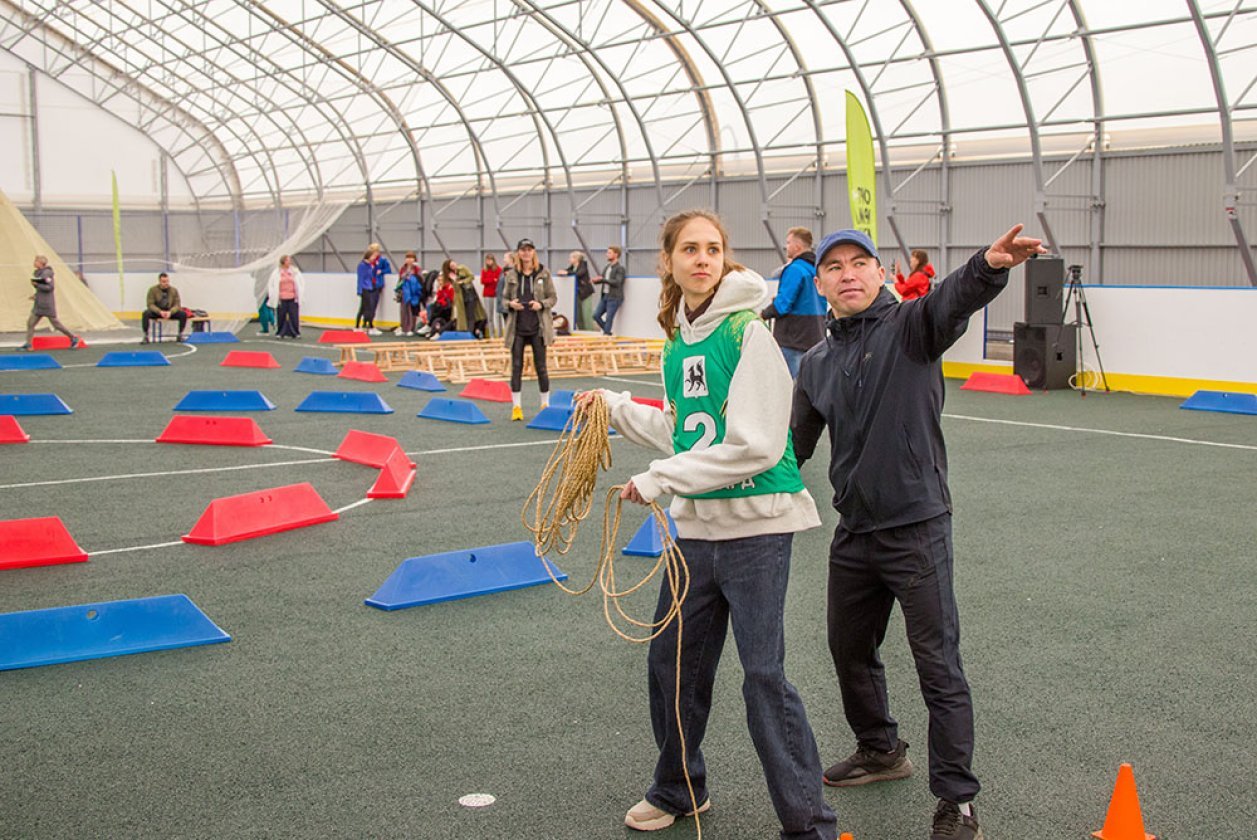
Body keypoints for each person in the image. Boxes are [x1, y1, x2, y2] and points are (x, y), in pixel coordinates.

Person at [585, 209, 837, 840]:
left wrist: (660, 480)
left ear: (726, 259)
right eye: (690, 249)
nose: (703, 258)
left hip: (755, 530)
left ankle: (810, 824)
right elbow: (685, 432)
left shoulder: (749, 334)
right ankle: (678, 787)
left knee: (763, 677)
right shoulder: (679, 342)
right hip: (695, 534)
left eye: (714, 249)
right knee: (672, 666)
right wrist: (615, 408)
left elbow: (753, 445)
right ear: (668, 261)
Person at [791, 225, 1047, 840]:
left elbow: (950, 299)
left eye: (861, 263)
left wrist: (988, 264)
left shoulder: (911, 328)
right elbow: (789, 450)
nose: (848, 274)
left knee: (938, 667)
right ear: (819, 282)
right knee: (848, 650)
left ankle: (957, 802)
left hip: (917, 529)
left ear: (880, 274)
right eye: (834, 267)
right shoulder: (817, 364)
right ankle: (881, 750)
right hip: (854, 535)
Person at [500, 238, 556, 421]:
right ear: (518, 253)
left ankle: (545, 404)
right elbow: (503, 300)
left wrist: (541, 304)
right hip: (517, 328)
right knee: (516, 367)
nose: (526, 253)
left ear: (533, 252)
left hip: (538, 328)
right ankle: (516, 407)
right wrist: (511, 304)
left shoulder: (544, 273)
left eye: (529, 250)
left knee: (541, 367)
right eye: (523, 250)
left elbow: (553, 298)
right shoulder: (511, 275)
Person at [760, 226, 825, 378]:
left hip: (793, 338)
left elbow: (783, 304)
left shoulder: (795, 269)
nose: (786, 246)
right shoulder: (817, 270)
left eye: (788, 243)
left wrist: (763, 314)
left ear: (797, 246)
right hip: (816, 334)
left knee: (789, 386)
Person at [20, 256, 80, 350]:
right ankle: (29, 344)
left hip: (46, 304)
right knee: (30, 323)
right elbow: (42, 287)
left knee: (56, 324)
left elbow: (49, 288)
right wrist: (36, 295)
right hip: (39, 304)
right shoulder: (39, 273)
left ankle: (73, 338)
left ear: (40, 263)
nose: (34, 263)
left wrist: (37, 285)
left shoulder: (47, 273)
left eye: (36, 261)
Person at [141, 272, 187, 343]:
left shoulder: (174, 290)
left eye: (167, 281)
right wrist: (159, 311)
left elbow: (177, 304)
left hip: (169, 311)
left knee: (183, 314)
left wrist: (170, 312)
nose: (166, 283)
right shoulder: (152, 290)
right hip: (158, 311)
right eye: (164, 282)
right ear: (159, 281)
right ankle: (146, 336)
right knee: (145, 314)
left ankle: (180, 334)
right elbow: (150, 304)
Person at [266, 255, 305, 339]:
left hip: (293, 297)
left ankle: (295, 332)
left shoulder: (295, 271)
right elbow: (272, 284)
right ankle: (280, 332)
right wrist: (273, 295)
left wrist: (300, 294)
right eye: (288, 260)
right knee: (281, 316)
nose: (290, 262)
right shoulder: (276, 272)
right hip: (282, 298)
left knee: (294, 316)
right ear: (283, 262)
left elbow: (301, 283)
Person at [592, 245, 625, 336]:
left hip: (614, 297)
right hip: (605, 296)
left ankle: (606, 335)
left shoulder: (620, 269)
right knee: (596, 315)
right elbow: (603, 279)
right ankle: (607, 332)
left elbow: (618, 282)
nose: (607, 254)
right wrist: (597, 281)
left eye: (609, 253)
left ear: (616, 254)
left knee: (609, 318)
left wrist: (602, 280)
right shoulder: (607, 267)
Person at [557, 249, 593, 330]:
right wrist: (563, 271)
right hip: (578, 294)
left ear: (576, 259)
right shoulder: (573, 267)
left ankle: (590, 331)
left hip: (585, 293)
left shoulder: (583, 265)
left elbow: (579, 273)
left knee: (586, 315)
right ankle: (582, 330)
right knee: (578, 315)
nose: (569, 259)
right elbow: (568, 270)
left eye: (571, 258)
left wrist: (566, 273)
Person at [452, 262, 488, 338]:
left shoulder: (462, 268)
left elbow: (471, 276)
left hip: (470, 296)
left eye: (453, 264)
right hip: (462, 298)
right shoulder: (453, 275)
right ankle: (468, 333)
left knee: (471, 315)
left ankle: (470, 333)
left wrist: (462, 281)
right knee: (466, 316)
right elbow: (456, 289)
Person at [355, 245, 381, 333]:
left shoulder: (370, 265)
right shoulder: (362, 265)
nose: (374, 258)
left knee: (366, 308)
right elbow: (360, 278)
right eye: (373, 256)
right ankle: (360, 325)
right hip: (364, 288)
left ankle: (365, 325)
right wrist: (359, 290)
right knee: (365, 308)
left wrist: (376, 267)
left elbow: (373, 275)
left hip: (370, 287)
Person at [396, 252, 424, 336]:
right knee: (403, 310)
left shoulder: (417, 269)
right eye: (407, 257)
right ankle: (403, 327)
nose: (409, 259)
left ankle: (411, 328)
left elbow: (421, 279)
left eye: (411, 258)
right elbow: (400, 280)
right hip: (404, 292)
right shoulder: (403, 268)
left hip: (414, 293)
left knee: (412, 311)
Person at [372, 244, 393, 333]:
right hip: (370, 285)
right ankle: (368, 324)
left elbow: (389, 270)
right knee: (368, 306)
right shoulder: (369, 261)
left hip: (377, 285)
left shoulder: (382, 260)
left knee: (373, 305)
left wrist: (381, 271)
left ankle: (370, 324)